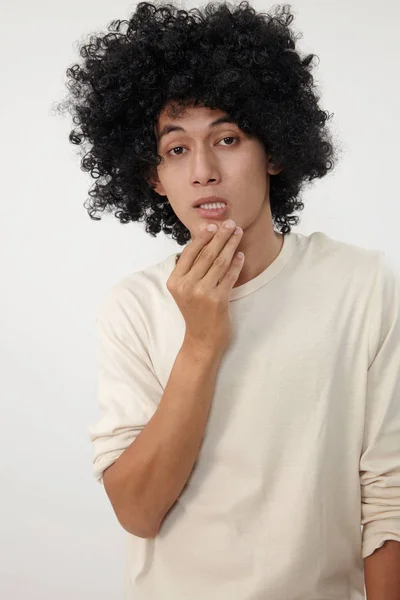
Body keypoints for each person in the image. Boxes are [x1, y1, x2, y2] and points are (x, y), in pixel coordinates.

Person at [57, 2, 400, 598]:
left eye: (228, 137)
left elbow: (389, 502)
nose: (204, 171)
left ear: (275, 150)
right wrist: (202, 340)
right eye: (177, 149)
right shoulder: (134, 306)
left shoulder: (362, 283)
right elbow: (137, 512)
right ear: (153, 177)